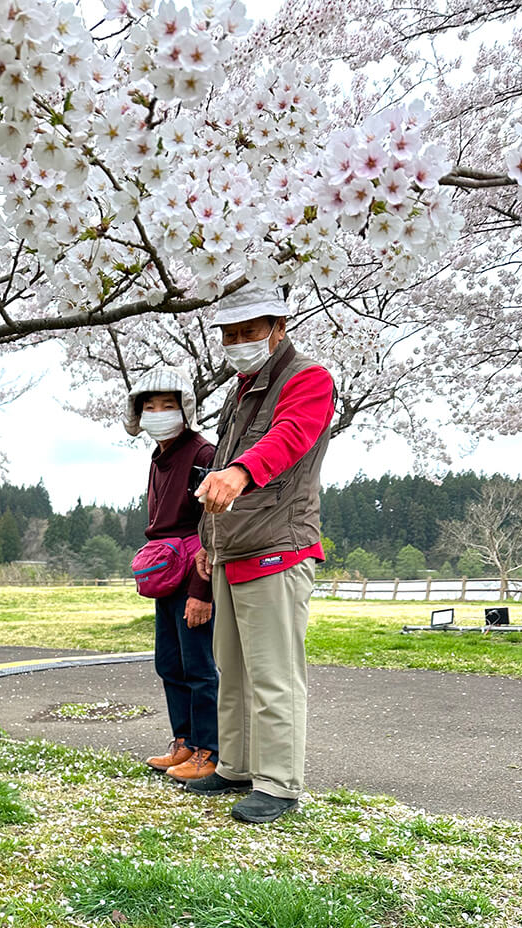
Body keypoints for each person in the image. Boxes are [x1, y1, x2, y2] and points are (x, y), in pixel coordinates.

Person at [190, 283, 336, 824]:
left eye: (248, 332)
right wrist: (208, 545)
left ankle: (279, 783)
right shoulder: (241, 387)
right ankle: (237, 765)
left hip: (278, 543)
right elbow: (221, 466)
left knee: (274, 672)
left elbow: (290, 436)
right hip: (232, 546)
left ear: (278, 327)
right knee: (231, 667)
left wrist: (241, 472)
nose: (237, 342)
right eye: (229, 334)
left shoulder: (308, 378)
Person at [124, 365, 219, 783]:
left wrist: (202, 589)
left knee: (199, 665)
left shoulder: (203, 454)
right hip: (166, 572)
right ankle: (182, 741)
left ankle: (207, 749)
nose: (158, 413)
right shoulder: (159, 456)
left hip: (193, 572)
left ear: (186, 408)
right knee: (169, 662)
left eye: (168, 405)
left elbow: (213, 525)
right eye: (150, 406)